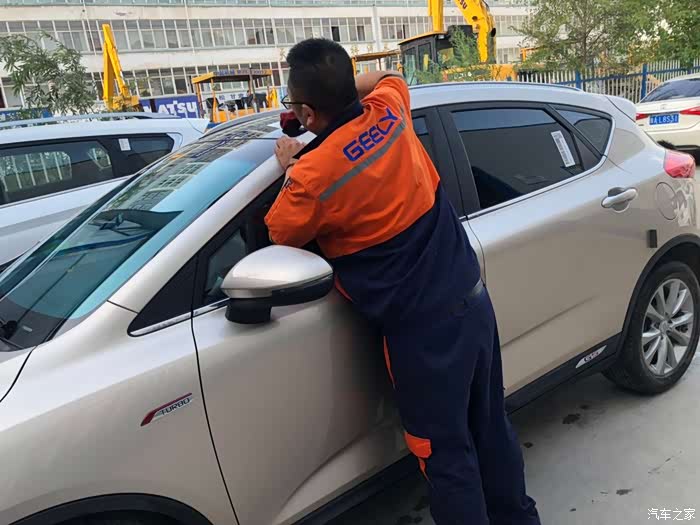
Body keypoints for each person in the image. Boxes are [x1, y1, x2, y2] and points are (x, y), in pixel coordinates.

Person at [264, 38, 541, 525]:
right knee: (491, 429)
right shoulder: (390, 111)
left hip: (425, 341)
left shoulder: (311, 177)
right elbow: (389, 77)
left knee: (444, 455)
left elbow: (279, 233)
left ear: (306, 114)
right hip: (473, 304)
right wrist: (334, 91)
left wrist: (290, 165)